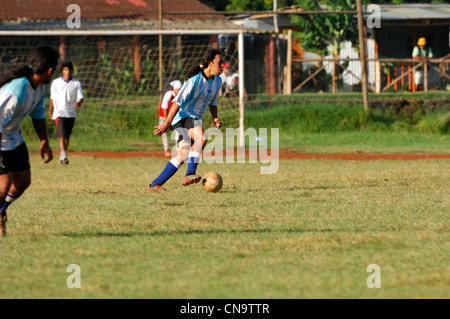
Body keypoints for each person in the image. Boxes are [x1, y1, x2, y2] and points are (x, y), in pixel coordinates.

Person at [0, 46, 59, 237]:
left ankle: (1, 211)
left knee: (23, 182)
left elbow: (38, 113)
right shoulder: (16, 90)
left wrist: (44, 141)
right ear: (50, 70)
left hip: (14, 139)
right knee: (3, 185)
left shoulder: (39, 86)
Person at [149, 48, 223, 193]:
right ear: (209, 63)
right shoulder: (194, 81)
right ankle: (190, 174)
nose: (222, 66)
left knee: (182, 154)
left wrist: (215, 117)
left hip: (195, 119)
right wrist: (166, 123)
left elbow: (213, 102)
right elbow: (177, 102)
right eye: (219, 63)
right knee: (202, 138)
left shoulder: (217, 81)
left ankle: (155, 185)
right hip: (183, 117)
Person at [48, 61, 84, 165]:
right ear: (62, 71)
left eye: (69, 69)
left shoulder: (76, 83)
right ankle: (64, 155)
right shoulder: (55, 82)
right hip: (59, 113)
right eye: (65, 69)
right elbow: (52, 98)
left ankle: (62, 155)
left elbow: (81, 97)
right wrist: (50, 111)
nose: (68, 72)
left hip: (71, 113)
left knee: (67, 137)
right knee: (62, 135)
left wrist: (79, 103)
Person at [158, 80, 182, 157]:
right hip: (164, 115)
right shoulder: (169, 94)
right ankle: (167, 150)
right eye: (177, 89)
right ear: (174, 89)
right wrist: (167, 121)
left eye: (180, 89)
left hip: (175, 116)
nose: (179, 91)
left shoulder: (182, 95)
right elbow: (164, 108)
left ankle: (178, 149)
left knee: (178, 131)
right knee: (164, 131)